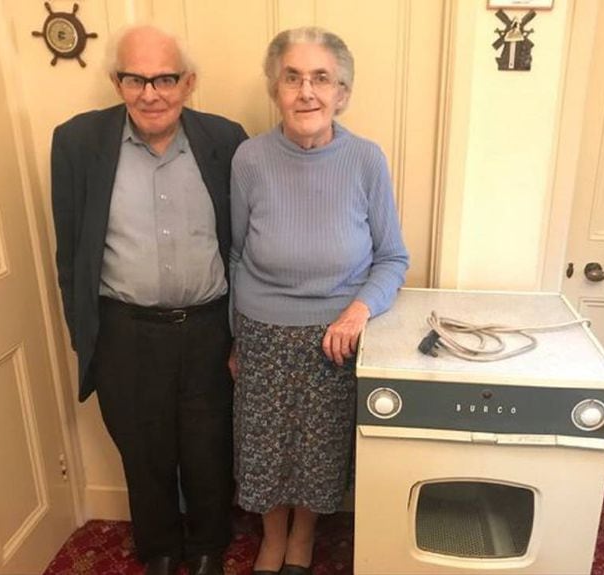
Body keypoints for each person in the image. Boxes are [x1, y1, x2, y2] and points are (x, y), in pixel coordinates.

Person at [50, 24, 247, 575]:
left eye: (164, 79)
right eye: (135, 79)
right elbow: (70, 253)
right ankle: (158, 548)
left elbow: (246, 241)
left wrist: (242, 334)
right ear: (117, 83)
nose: (150, 94)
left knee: (209, 443)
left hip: (209, 327)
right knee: (142, 447)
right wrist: (84, 335)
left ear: (188, 82)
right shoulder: (77, 143)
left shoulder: (226, 139)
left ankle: (208, 545)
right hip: (124, 331)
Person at [229, 27, 409, 575]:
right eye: (293, 78)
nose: (306, 91)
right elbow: (235, 254)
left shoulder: (366, 160)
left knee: (317, 454)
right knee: (264, 452)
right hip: (261, 335)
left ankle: (302, 538)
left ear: (342, 93)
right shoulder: (249, 159)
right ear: (275, 90)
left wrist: (357, 312)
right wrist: (235, 339)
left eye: (321, 78)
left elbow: (392, 258)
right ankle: (272, 539)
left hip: (334, 339)